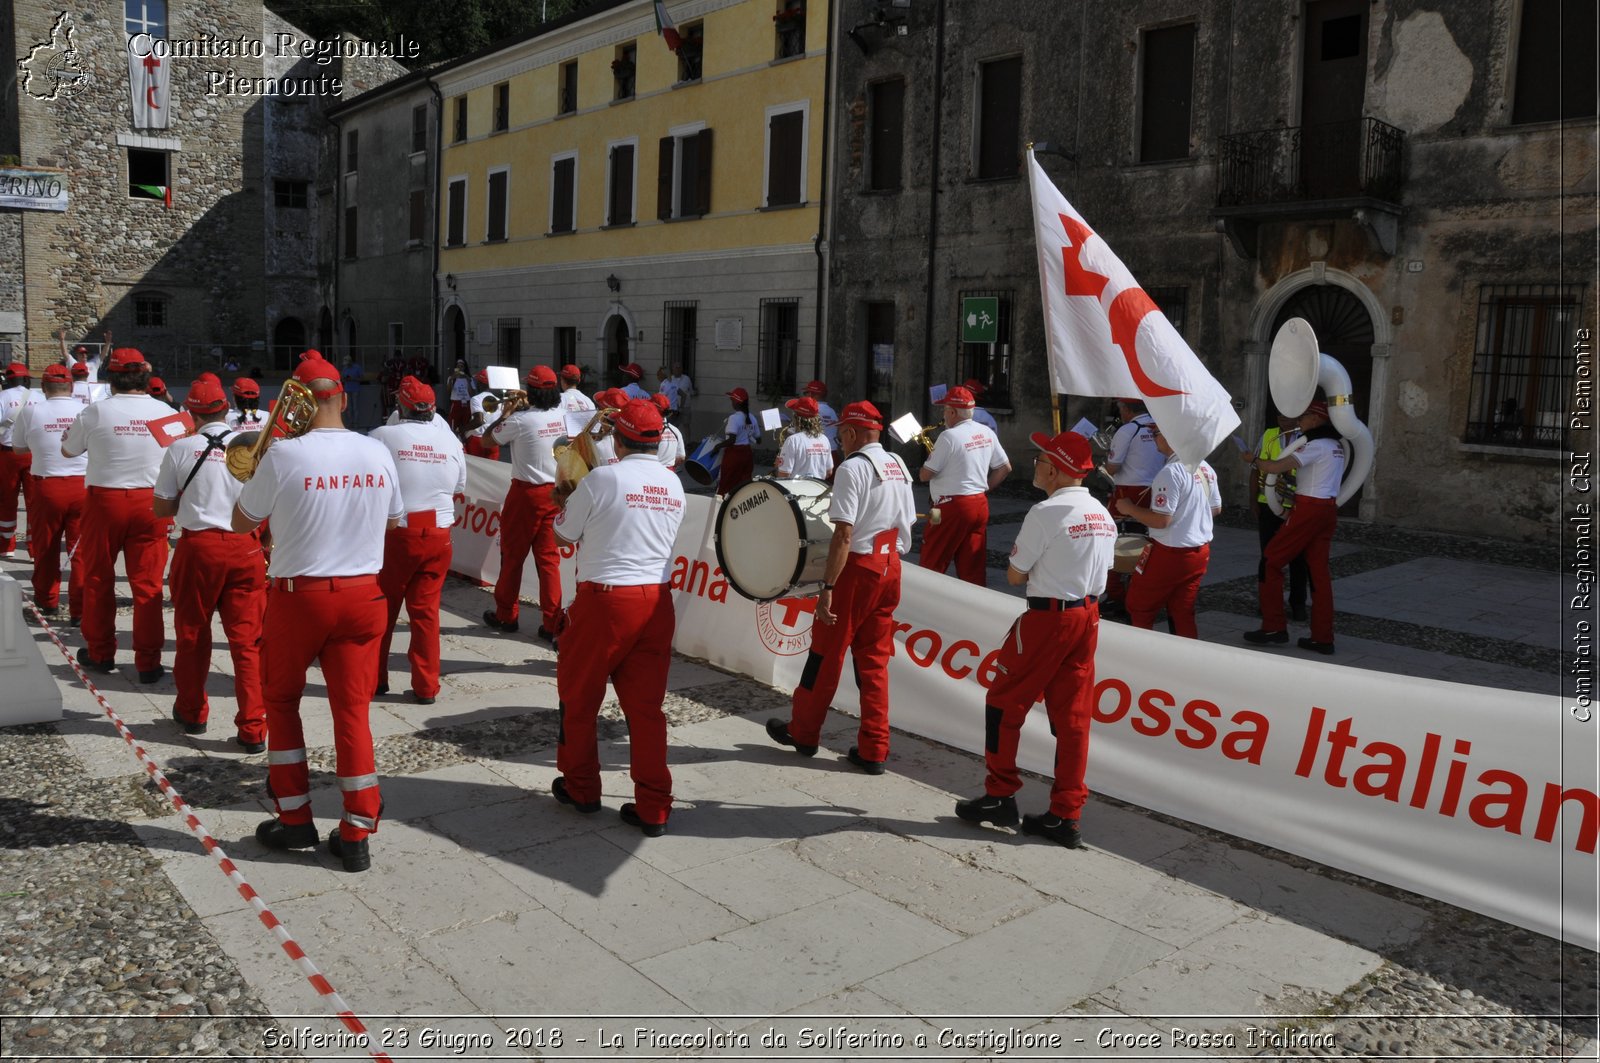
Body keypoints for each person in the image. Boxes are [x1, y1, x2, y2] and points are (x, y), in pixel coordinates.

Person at [233, 356, 403, 873]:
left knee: (281, 702)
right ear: (344, 399)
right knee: (352, 712)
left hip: (299, 596)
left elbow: (242, 522)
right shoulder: (377, 450)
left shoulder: (283, 455)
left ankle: (294, 817)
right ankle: (356, 829)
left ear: (295, 405)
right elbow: (395, 521)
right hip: (363, 595)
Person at [954, 430, 1115, 848]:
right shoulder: (1102, 512)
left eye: (1042, 459)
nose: (1035, 464)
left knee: (1003, 704)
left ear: (1056, 470)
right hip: (1088, 615)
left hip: (1049, 619)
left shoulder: (1045, 513)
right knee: (1074, 719)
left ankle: (999, 793)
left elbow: (1013, 574)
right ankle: (1066, 814)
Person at [551, 399, 686, 836]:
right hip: (657, 601)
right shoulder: (673, 484)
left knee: (579, 698)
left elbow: (562, 534)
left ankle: (583, 788)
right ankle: (654, 807)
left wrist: (567, 495)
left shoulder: (603, 479)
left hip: (606, 602)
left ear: (619, 440)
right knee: (647, 710)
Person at [767, 401, 914, 774]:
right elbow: (909, 519)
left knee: (825, 655)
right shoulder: (898, 465)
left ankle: (804, 731)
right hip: (890, 566)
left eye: (841, 436)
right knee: (875, 662)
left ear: (850, 433)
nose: (840, 443)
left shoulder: (853, 468)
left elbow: (843, 534)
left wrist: (828, 586)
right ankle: (875, 747)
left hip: (858, 570)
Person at [153, 377, 267, 752]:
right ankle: (253, 727)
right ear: (224, 408)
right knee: (248, 643)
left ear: (191, 412)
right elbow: (264, 508)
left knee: (192, 635)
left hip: (199, 548)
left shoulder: (180, 448)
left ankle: (192, 712)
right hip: (244, 548)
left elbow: (162, 508)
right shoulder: (252, 446)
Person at [60, 349, 173, 680]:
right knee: (149, 585)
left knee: (98, 579)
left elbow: (68, 450)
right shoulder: (164, 410)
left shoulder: (95, 411)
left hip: (105, 500)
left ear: (111, 378)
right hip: (152, 502)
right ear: (144, 377)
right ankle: (149, 661)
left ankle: (101, 652)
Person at [370, 377, 466, 704]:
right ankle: (426, 686)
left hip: (399, 532)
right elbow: (459, 486)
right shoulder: (450, 440)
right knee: (426, 614)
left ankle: (374, 679)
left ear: (401, 407)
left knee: (382, 608)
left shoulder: (383, 435)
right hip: (438, 532)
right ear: (433, 409)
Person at [1243, 400, 1345, 655]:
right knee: (1319, 574)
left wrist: (1253, 459)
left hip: (1309, 508)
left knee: (1271, 561)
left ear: (1316, 419)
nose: (1299, 421)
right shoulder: (1337, 446)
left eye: (1304, 416)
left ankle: (1274, 626)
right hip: (1327, 509)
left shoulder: (1317, 446)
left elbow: (1276, 467)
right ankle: (1323, 636)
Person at [482, 365, 567, 644]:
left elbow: (486, 440)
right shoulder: (563, 414)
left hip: (526, 494)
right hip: (555, 493)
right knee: (549, 562)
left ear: (530, 392)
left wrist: (506, 414)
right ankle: (552, 622)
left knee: (512, 556)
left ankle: (506, 615)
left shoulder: (520, 420)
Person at [1113, 423, 1220, 638]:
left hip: (1170, 553)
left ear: (1171, 437)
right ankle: (1186, 660)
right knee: (1182, 611)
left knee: (1139, 606)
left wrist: (1129, 508)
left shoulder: (1170, 471)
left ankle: (1141, 657)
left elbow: (1162, 520)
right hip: (1199, 552)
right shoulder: (1205, 467)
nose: (1154, 437)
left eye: (1156, 433)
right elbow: (1215, 509)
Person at [11, 365, 85, 621]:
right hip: (82, 486)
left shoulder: (31, 411)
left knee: (46, 548)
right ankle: (80, 609)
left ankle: (47, 601)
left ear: (43, 388)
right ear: (71, 386)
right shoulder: (85, 410)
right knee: (81, 552)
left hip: (47, 486)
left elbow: (18, 449)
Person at [917, 385, 1011, 586]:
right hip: (978, 503)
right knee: (973, 570)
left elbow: (925, 476)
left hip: (951, 507)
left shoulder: (948, 436)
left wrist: (928, 461)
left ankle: (926, 607)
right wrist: (983, 489)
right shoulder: (985, 431)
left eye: (945, 411)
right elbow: (1005, 468)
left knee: (932, 564)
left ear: (952, 412)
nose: (944, 415)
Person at [1101, 397, 1162, 615]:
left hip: (1128, 491)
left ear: (1126, 409)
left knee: (1113, 540)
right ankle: (1142, 591)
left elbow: (1113, 468)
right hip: (1155, 490)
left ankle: (1117, 595)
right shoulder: (1159, 427)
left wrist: (1106, 461)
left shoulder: (1128, 430)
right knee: (1147, 543)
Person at [1254, 411, 1309, 623]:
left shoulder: (1305, 438)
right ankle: (1267, 603)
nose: (1283, 421)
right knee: (1267, 555)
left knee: (1298, 557)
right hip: (1268, 502)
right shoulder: (1269, 435)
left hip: (1295, 503)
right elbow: (1255, 468)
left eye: (1288, 417)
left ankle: (1298, 604)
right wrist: (1253, 501)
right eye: (1279, 417)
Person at [0, 361, 41, 556]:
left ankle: (7, 546)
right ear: (26, 379)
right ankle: (34, 549)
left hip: (8, 454)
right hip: (34, 453)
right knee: (35, 502)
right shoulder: (39, 397)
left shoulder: (2, 397)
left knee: (7, 499)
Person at [775, 396, 834, 480]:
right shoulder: (824, 439)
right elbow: (829, 472)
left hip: (797, 491)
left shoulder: (793, 440)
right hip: (819, 490)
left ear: (796, 417)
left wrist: (778, 466)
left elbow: (783, 475)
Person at [714, 387, 760, 494]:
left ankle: (722, 508)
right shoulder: (752, 418)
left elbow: (731, 440)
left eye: (732, 401)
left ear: (736, 403)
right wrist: (749, 434)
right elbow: (759, 440)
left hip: (734, 455)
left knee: (726, 484)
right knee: (744, 486)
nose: (731, 403)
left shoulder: (734, 418)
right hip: (747, 454)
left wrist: (717, 446)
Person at [802, 380, 840, 463]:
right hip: (832, 453)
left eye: (806, 393)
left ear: (812, 394)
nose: (805, 396)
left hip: (816, 455)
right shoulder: (832, 411)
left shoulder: (811, 410)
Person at [651, 393, 685, 471]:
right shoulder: (675, 430)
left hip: (653, 473)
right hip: (670, 474)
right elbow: (682, 456)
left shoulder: (650, 430)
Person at [666, 362, 694, 430]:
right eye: (676, 367)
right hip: (673, 408)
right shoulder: (670, 380)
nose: (678, 369)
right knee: (673, 426)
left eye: (679, 367)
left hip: (685, 407)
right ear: (672, 369)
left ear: (682, 369)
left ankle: (687, 441)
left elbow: (691, 391)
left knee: (686, 425)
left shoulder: (687, 378)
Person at [446, 360, 472, 434]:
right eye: (458, 366)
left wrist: (468, 380)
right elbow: (448, 391)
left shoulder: (469, 378)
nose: (460, 368)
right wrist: (451, 379)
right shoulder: (451, 378)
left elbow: (471, 393)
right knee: (453, 423)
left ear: (464, 368)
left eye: (462, 366)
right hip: (456, 403)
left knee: (466, 423)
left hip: (466, 403)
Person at [341, 355, 365, 427]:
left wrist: (353, 379)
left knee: (355, 407)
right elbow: (342, 379)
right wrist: (346, 379)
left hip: (355, 389)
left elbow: (362, 378)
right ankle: (350, 423)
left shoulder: (357, 367)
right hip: (347, 389)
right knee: (349, 407)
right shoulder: (345, 369)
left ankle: (356, 423)